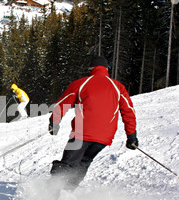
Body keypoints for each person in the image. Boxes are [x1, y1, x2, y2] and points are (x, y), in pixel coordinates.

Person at [48, 55, 138, 189]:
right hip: (103, 137)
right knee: (84, 162)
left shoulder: (81, 83)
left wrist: (54, 123)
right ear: (106, 69)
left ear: (91, 68)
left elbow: (63, 103)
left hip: (82, 132)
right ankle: (67, 193)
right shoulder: (118, 87)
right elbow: (128, 112)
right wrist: (132, 137)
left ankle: (48, 197)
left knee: (68, 163)